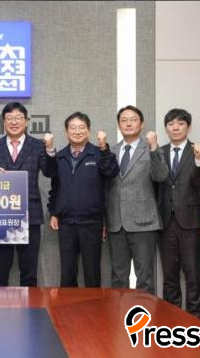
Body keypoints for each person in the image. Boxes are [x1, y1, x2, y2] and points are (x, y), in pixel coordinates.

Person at [0, 102, 57, 286]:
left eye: (18, 118)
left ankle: (29, 305)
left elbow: (50, 171)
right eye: (9, 118)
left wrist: (50, 149)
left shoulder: (38, 146)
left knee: (29, 274)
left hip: (30, 215)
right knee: (0, 273)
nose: (14, 122)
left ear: (27, 121)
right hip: (0, 216)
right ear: (3, 122)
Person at [48, 112, 119, 287]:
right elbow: (55, 188)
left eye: (81, 127)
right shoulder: (60, 156)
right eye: (73, 128)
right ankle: (67, 305)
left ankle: (93, 306)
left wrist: (104, 148)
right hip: (66, 223)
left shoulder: (98, 153)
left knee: (92, 273)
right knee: (67, 274)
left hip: (92, 222)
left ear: (88, 130)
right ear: (66, 131)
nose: (77, 131)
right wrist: (54, 212)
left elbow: (111, 172)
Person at [106, 105, 169, 294]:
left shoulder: (150, 149)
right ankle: (119, 313)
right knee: (118, 277)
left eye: (133, 120)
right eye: (124, 120)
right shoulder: (111, 151)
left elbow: (161, 176)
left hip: (144, 223)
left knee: (145, 277)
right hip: (116, 223)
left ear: (141, 124)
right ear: (119, 125)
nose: (128, 124)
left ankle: (144, 314)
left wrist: (154, 148)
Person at [156, 108, 200, 317]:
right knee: (169, 275)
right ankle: (172, 320)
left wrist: (198, 160)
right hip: (166, 221)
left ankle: (194, 320)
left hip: (191, 222)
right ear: (166, 128)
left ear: (188, 127)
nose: (175, 127)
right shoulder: (159, 152)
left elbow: (199, 181)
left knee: (193, 274)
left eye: (180, 123)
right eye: (171, 124)